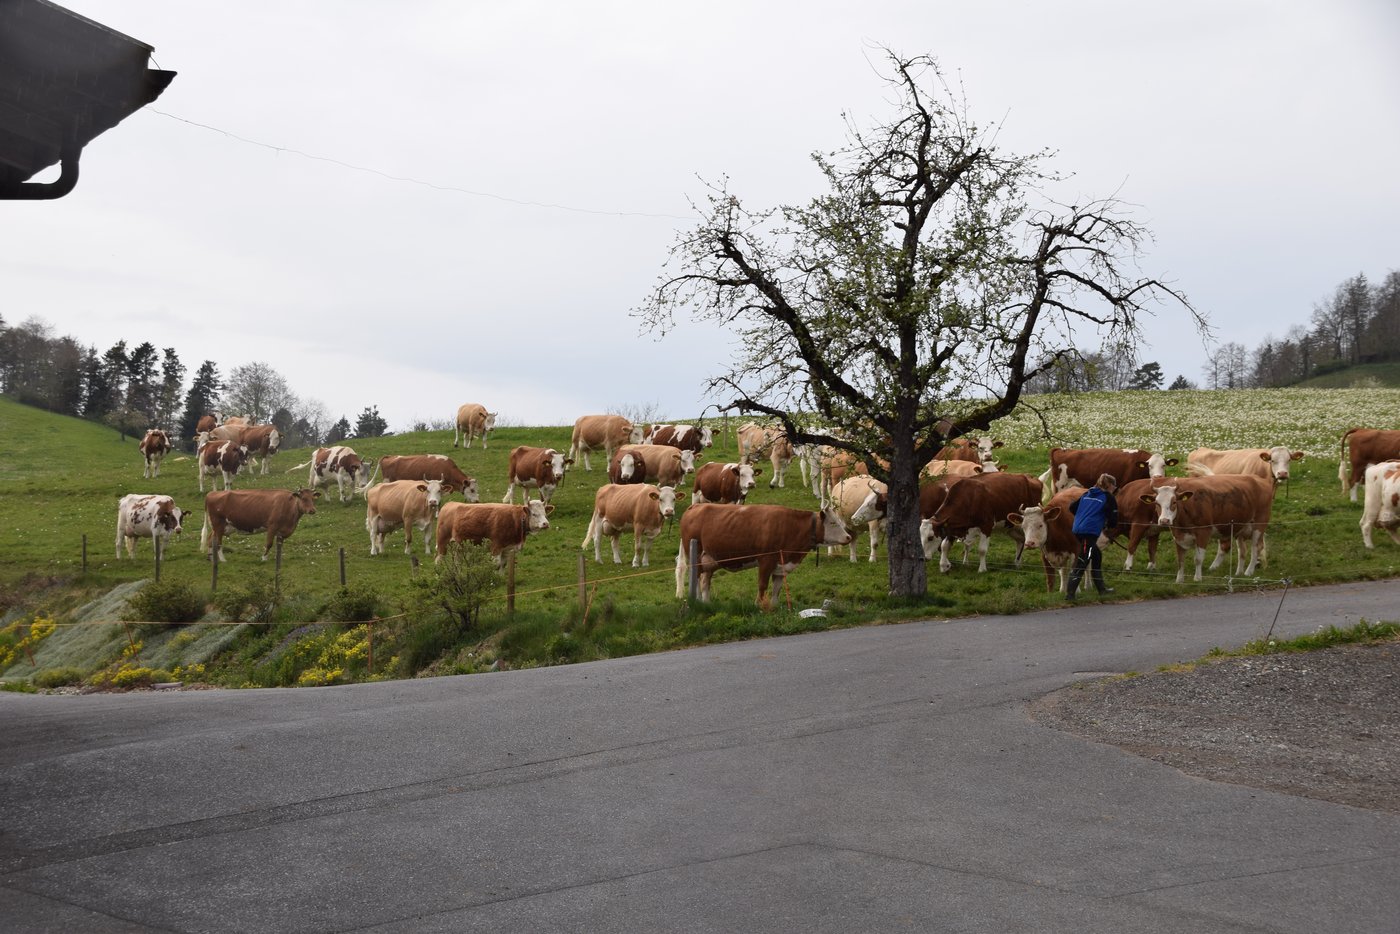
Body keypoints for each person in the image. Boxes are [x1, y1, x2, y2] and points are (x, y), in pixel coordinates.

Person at [1066, 473, 1119, 600]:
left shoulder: (1088, 493)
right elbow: (1113, 520)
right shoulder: (1108, 497)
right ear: (1110, 485)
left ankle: (1102, 589)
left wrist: (1084, 515)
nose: (1115, 489)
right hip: (1089, 533)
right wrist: (1106, 523)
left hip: (1078, 530)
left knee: (1096, 556)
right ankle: (1070, 595)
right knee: (1083, 561)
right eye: (1114, 486)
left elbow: (1072, 507)